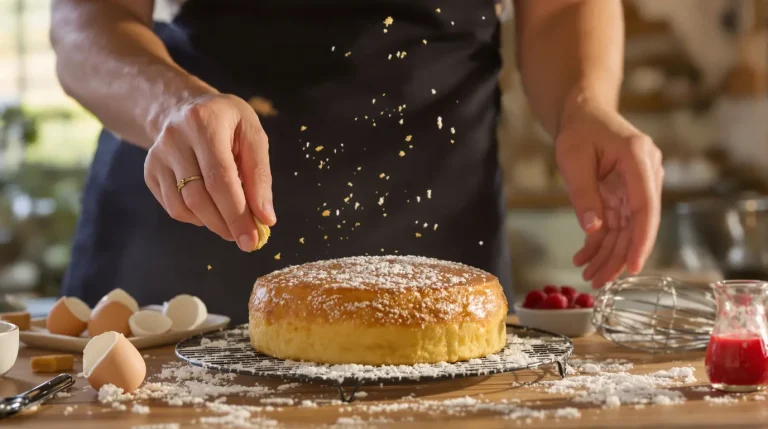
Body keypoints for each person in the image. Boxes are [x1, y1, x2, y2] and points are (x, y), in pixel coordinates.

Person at [51, 0, 663, 324]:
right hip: (194, 213)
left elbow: (562, 8)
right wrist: (168, 105)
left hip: (437, 231)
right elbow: (86, 20)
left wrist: (585, 106)